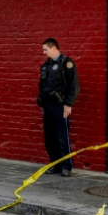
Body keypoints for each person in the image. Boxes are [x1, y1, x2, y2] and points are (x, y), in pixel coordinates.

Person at [37, 38, 80, 177]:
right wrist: (41, 103)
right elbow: (42, 86)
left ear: (54, 48)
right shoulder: (46, 66)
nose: (44, 52)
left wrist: (68, 104)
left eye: (46, 49)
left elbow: (74, 86)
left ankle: (66, 166)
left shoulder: (66, 63)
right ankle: (55, 164)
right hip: (48, 106)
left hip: (60, 106)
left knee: (62, 136)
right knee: (49, 137)